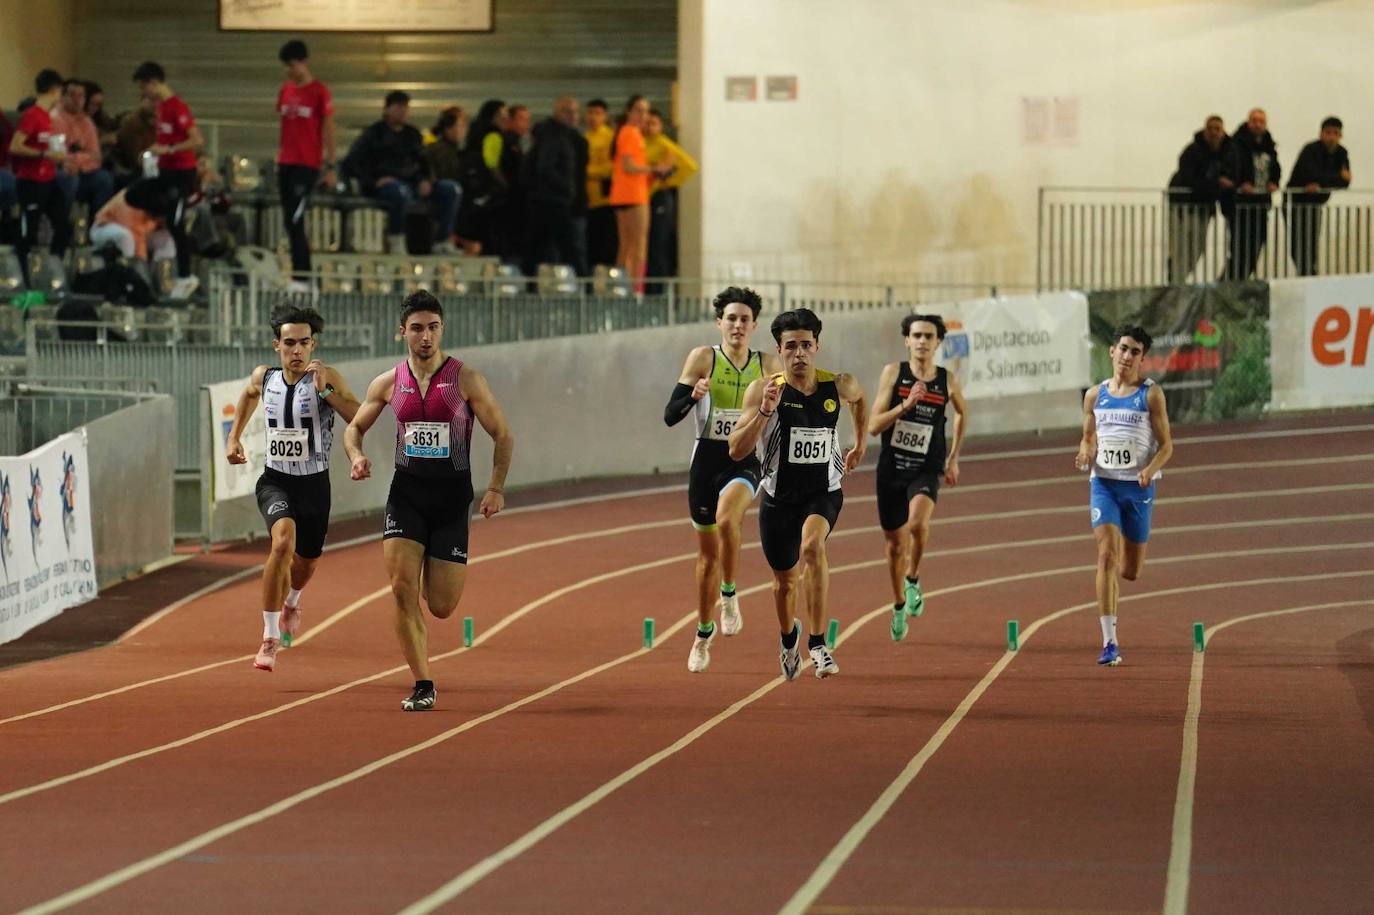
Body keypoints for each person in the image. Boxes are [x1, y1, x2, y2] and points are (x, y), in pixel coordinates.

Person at [344, 290, 515, 711]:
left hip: (452, 498)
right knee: (402, 589)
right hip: (407, 495)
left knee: (440, 606)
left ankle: (430, 570)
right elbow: (354, 428)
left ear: (442, 330)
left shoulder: (465, 380)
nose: (426, 336)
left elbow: (503, 434)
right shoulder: (387, 383)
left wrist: (495, 487)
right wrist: (357, 455)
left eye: (433, 327)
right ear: (402, 331)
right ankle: (423, 683)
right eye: (417, 328)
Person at [729, 308, 867, 681]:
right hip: (778, 498)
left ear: (817, 347)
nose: (799, 353)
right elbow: (736, 450)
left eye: (807, 345)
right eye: (791, 346)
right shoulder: (765, 389)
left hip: (823, 493)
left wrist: (860, 443)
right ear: (780, 349)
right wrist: (763, 412)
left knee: (812, 547)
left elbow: (860, 400)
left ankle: (819, 644)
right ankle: (789, 637)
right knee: (785, 582)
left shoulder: (836, 385)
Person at [224, 303, 362, 672]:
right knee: (282, 542)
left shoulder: (326, 376)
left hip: (314, 485)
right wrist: (233, 438)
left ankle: (293, 601)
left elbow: (356, 415)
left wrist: (326, 389)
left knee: (306, 561)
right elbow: (250, 395)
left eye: (303, 343)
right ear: (276, 345)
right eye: (289, 343)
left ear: (313, 345)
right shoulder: (264, 376)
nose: (296, 351)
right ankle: (269, 638)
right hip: (275, 481)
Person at [664, 287, 782, 673]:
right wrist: (692, 396)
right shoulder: (703, 358)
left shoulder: (767, 364)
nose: (737, 325)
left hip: (744, 459)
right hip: (706, 462)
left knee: (730, 518)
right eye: (731, 318)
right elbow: (670, 415)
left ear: (754, 325)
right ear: (719, 323)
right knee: (707, 556)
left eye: (744, 319)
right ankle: (702, 632)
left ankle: (729, 593)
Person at [1073, 325, 1174, 667]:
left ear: (1143, 359)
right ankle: (1109, 642)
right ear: (1111, 352)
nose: (1128, 356)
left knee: (1130, 571)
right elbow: (1088, 437)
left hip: (1138, 489)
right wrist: (1086, 452)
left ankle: (1112, 626)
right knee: (1106, 557)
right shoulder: (1094, 395)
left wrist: (1149, 469)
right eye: (1123, 349)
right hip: (1104, 484)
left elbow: (1167, 446)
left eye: (1135, 351)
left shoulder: (1150, 395)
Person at [868, 313, 967, 642]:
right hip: (892, 468)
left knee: (918, 525)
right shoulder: (893, 373)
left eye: (929, 336)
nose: (923, 341)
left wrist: (953, 458)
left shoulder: (947, 380)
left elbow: (963, 413)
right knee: (895, 546)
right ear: (907, 340)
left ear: (939, 342)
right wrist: (905, 406)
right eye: (917, 336)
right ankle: (898, 603)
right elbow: (873, 426)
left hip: (927, 466)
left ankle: (913, 578)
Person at [344, 90, 461, 255]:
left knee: (451, 190)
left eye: (405, 107)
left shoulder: (413, 135)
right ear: (386, 109)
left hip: (412, 183)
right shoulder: (373, 135)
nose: (403, 111)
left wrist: (425, 179)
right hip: (386, 186)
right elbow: (354, 162)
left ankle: (442, 240)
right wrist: (373, 181)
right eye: (398, 107)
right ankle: (396, 239)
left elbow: (423, 161)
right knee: (399, 192)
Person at [133, 61, 203, 293]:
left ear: (154, 83)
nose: (143, 93)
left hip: (181, 172)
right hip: (164, 170)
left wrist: (169, 149)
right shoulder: (161, 108)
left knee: (175, 223)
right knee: (134, 194)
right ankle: (172, 207)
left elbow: (196, 140)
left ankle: (186, 274)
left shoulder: (177, 107)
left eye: (144, 87)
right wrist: (156, 149)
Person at [275, 39, 337, 289]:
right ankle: (300, 275)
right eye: (286, 66)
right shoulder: (285, 91)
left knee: (296, 218)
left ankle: (302, 276)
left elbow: (329, 128)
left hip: (307, 164)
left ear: (304, 62)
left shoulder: (319, 92)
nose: (290, 70)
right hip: (286, 162)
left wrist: (331, 165)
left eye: (292, 65)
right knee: (289, 220)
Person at [8, 69, 75, 283]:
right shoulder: (33, 115)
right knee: (30, 231)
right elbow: (16, 146)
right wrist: (44, 153)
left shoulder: (46, 117)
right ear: (55, 90)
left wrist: (59, 158)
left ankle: (53, 267)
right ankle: (23, 278)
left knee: (64, 225)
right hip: (31, 182)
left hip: (48, 179)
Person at [608, 95, 672, 291]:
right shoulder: (632, 133)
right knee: (638, 246)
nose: (643, 115)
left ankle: (621, 288)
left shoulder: (625, 133)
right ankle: (636, 290)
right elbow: (629, 166)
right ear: (629, 111)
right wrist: (655, 169)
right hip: (634, 195)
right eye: (639, 110)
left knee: (626, 245)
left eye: (646, 111)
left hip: (621, 194)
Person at [522, 96, 589, 278]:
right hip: (555, 201)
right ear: (558, 113)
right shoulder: (555, 137)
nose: (574, 116)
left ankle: (531, 287)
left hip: (547, 200)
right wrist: (568, 189)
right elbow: (546, 168)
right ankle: (586, 290)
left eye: (576, 111)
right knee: (571, 248)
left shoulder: (562, 136)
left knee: (539, 248)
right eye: (568, 111)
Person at [1286, 116, 1352, 276]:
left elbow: (1345, 182)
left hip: (1316, 204)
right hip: (1297, 202)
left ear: (1340, 136)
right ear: (1321, 134)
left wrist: (1321, 183)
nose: (1331, 137)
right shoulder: (1310, 149)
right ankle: (1306, 272)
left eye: (1335, 133)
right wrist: (1334, 177)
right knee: (1297, 243)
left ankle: (1309, 272)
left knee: (1312, 241)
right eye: (1328, 132)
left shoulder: (1342, 153)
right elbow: (1308, 174)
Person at [1220, 108, 1280, 280]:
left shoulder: (1270, 145)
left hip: (1260, 204)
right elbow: (1230, 168)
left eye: (1261, 121)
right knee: (1240, 249)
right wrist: (1240, 184)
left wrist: (1274, 182)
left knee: (1255, 250)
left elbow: (1275, 168)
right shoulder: (1236, 143)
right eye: (1254, 120)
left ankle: (1238, 282)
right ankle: (1229, 284)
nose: (1258, 124)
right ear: (1248, 122)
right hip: (1240, 206)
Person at [1167, 115, 1229, 283]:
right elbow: (1189, 179)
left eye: (1218, 129)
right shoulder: (1192, 151)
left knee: (1197, 249)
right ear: (1205, 131)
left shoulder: (1225, 153)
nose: (1214, 133)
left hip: (1204, 209)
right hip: (1185, 207)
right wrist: (1215, 184)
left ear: (1223, 132)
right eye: (1211, 129)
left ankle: (1177, 282)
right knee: (1182, 249)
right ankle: (1175, 283)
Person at [643, 108, 698, 289]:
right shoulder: (640, 143)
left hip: (659, 197)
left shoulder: (665, 145)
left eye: (654, 124)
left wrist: (668, 183)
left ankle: (659, 289)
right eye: (647, 123)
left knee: (658, 243)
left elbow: (690, 166)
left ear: (661, 127)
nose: (649, 127)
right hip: (644, 197)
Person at [52, 79, 115, 215]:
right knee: (68, 177)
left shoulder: (87, 122)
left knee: (105, 179)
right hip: (59, 172)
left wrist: (77, 160)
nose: (77, 100)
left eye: (81, 96)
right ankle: (64, 227)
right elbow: (58, 157)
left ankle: (97, 228)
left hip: (84, 172)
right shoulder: (55, 119)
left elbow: (96, 156)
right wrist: (82, 158)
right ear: (63, 97)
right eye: (72, 95)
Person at [88, 178, 174, 262]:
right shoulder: (131, 203)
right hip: (103, 228)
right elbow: (139, 244)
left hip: (141, 234)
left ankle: (162, 272)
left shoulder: (156, 198)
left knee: (167, 237)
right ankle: (128, 271)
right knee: (126, 237)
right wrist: (141, 268)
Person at [583, 99, 617, 268]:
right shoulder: (584, 138)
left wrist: (588, 172)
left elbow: (612, 167)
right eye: (590, 112)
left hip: (606, 200)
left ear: (605, 116)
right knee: (592, 246)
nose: (593, 117)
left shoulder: (611, 138)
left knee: (607, 245)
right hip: (588, 201)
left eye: (597, 113)